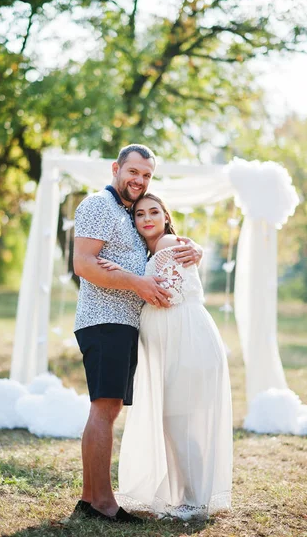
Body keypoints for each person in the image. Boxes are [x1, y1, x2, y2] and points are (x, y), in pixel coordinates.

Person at [72, 145, 202, 524]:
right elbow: (83, 263)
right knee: (105, 408)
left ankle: (88, 498)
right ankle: (104, 504)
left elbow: (158, 243)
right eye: (133, 172)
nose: (139, 181)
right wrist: (137, 282)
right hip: (104, 319)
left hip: (123, 322)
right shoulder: (98, 204)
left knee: (106, 408)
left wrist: (193, 246)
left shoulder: (127, 211)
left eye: (146, 175)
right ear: (116, 168)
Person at [99, 193, 232, 520]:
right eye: (140, 214)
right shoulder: (157, 248)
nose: (146, 218)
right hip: (178, 342)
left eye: (154, 211)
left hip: (186, 341)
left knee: (180, 421)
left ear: (166, 216)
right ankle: (189, 496)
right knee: (177, 422)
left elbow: (165, 295)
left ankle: (195, 502)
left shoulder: (168, 243)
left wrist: (121, 276)